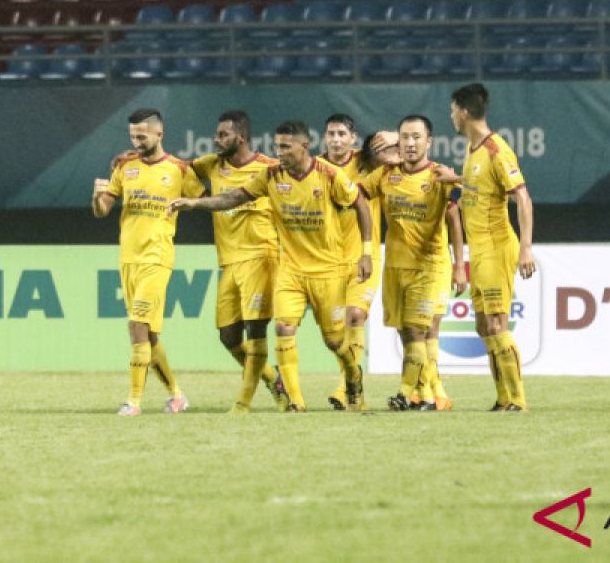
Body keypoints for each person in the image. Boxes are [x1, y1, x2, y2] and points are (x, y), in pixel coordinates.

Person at [171, 120, 373, 412]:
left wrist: (366, 253)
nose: (280, 152)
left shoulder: (329, 175)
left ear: (304, 146)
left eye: (286, 147)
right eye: (277, 146)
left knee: (334, 342)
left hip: (329, 270)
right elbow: (234, 197)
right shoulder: (270, 175)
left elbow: (361, 205)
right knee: (283, 327)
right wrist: (194, 204)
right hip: (290, 270)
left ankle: (353, 373)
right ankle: (295, 401)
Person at [93, 109, 204, 416]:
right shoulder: (125, 166)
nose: (136, 141)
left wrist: (191, 203)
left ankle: (134, 401)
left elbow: (204, 199)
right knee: (149, 335)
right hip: (128, 258)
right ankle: (177, 396)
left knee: (137, 324)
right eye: (132, 136)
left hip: (158, 257)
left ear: (159, 134)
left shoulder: (180, 170)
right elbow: (103, 209)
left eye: (142, 136)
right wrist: (97, 196)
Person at [362, 116, 466, 411]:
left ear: (429, 142)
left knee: (422, 328)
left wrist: (460, 264)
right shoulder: (386, 174)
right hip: (396, 265)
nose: (409, 143)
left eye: (416, 137)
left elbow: (455, 218)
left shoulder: (439, 176)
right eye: (404, 138)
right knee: (408, 332)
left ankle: (410, 392)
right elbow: (354, 193)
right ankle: (434, 392)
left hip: (430, 265)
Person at [190, 111, 289, 413]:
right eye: (216, 134)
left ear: (241, 137)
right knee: (228, 336)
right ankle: (273, 377)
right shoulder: (211, 165)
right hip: (228, 261)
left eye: (223, 135)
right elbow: (175, 168)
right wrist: (136, 156)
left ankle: (243, 403)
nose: (216, 140)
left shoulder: (270, 167)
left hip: (261, 256)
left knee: (255, 330)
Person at [450, 83, 534, 412]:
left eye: (453, 109)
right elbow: (479, 187)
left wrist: (526, 248)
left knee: (497, 324)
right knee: (483, 326)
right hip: (479, 250)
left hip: (498, 246)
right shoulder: (472, 149)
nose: (451, 116)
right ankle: (502, 398)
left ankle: (517, 400)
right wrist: (453, 179)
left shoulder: (497, 150)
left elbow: (523, 199)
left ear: (465, 112)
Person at [317, 114, 379, 410]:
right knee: (336, 329)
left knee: (356, 315)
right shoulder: (314, 167)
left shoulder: (366, 162)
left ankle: (346, 387)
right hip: (328, 260)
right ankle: (352, 379)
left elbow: (397, 141)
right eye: (331, 133)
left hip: (363, 256)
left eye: (342, 133)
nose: (336, 139)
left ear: (353, 138)